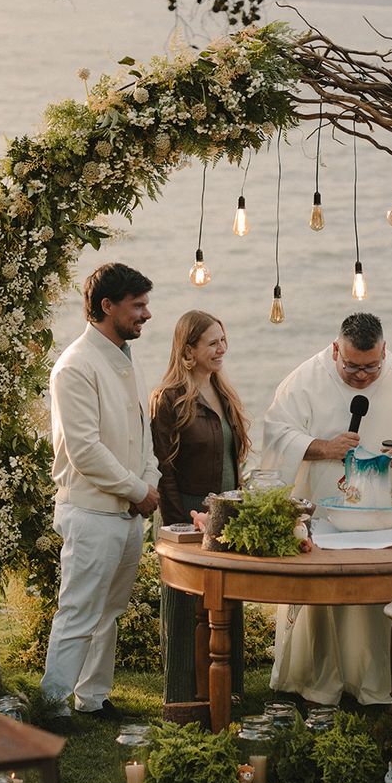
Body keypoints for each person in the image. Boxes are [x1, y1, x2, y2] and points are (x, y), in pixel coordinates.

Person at [261, 312, 392, 706]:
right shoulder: (304, 380)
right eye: (351, 367)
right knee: (329, 591)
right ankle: (320, 680)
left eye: (371, 367)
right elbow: (278, 433)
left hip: (387, 513)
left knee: (379, 594)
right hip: (327, 511)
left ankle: (380, 681)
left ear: (385, 351)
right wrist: (322, 447)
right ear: (334, 351)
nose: (362, 376)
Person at [41, 263, 160, 724]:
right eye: (138, 305)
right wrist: (137, 490)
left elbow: (141, 430)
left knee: (109, 611)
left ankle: (92, 698)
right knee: (77, 611)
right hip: (91, 512)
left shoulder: (125, 356)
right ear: (106, 306)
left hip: (129, 512)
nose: (146, 314)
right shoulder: (74, 366)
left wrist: (148, 482)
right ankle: (52, 706)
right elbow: (85, 449)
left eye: (146, 304)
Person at [150, 311, 250, 704]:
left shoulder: (223, 393)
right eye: (212, 342)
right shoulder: (168, 399)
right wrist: (179, 525)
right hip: (187, 512)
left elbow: (232, 459)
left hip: (225, 513)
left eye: (223, 339)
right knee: (185, 604)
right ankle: (183, 695)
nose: (221, 348)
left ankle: (230, 690)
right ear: (188, 350)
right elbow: (163, 469)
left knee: (227, 602)